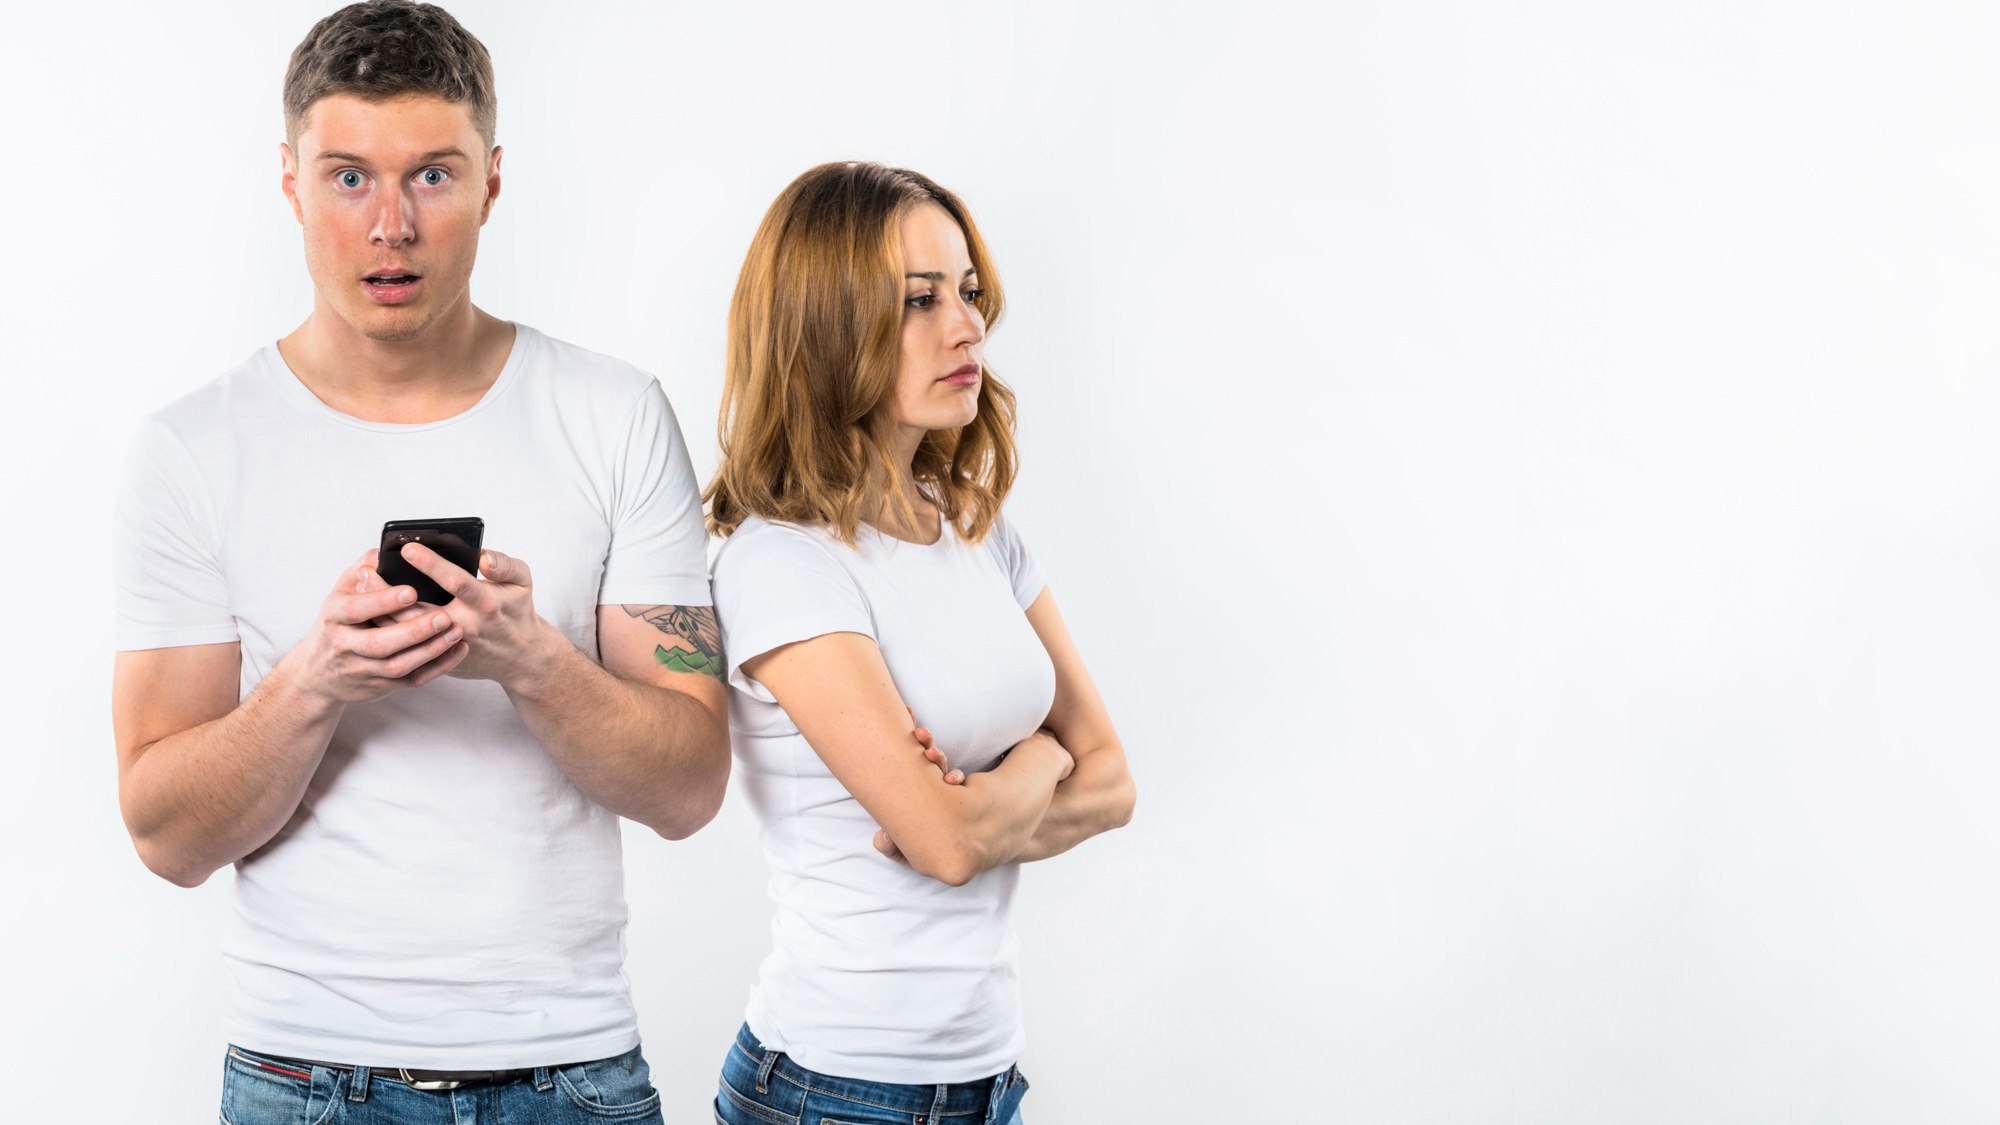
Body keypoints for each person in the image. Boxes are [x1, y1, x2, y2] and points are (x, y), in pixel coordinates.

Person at [109, 4, 728, 1121]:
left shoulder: (614, 414)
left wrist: (533, 661)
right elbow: (164, 834)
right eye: (349, 178)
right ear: (291, 184)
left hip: (572, 1070)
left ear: (492, 182)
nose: (390, 226)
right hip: (303, 1076)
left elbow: (689, 789)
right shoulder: (190, 449)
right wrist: (316, 680)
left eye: (432, 177)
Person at [703, 162, 1139, 1125]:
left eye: (968, 291)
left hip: (987, 1080)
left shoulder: (980, 528)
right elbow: (943, 844)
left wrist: (1002, 792)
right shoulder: (781, 563)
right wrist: (1039, 764)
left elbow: (1112, 783)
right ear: (825, 326)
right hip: (835, 1090)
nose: (966, 324)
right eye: (918, 299)